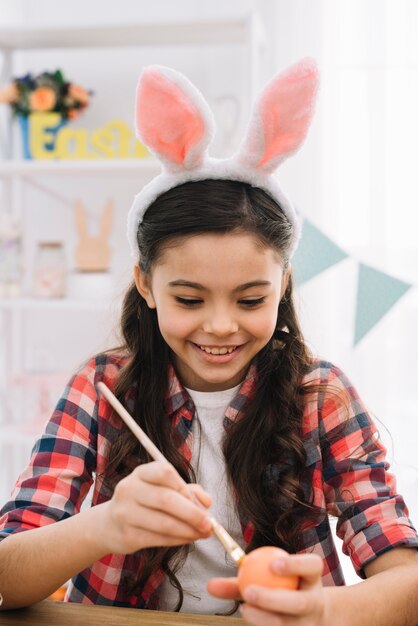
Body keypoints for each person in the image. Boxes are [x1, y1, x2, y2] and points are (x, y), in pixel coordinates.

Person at [0, 60, 417, 625]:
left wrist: (321, 610)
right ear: (146, 284)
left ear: (283, 285)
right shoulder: (101, 388)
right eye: (190, 300)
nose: (221, 326)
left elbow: (406, 581)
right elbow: (8, 577)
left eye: (250, 301)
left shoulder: (321, 395)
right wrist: (106, 525)